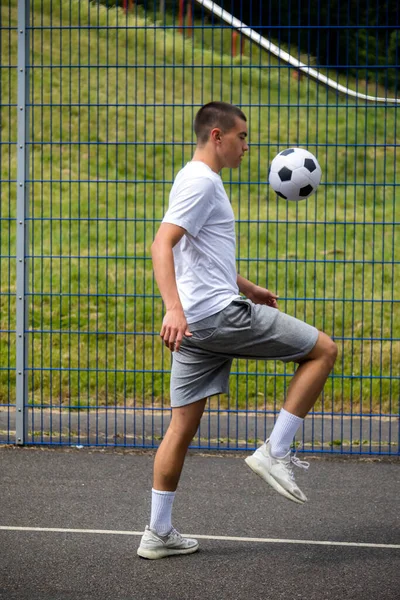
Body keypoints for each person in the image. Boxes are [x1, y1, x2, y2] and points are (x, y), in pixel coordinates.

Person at [137, 101, 337, 560]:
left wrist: (248, 286)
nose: (248, 146)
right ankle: (276, 451)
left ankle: (158, 532)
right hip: (215, 317)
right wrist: (173, 308)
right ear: (217, 136)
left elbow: (199, 252)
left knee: (181, 427)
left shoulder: (194, 178)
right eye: (242, 137)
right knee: (324, 351)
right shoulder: (203, 182)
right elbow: (161, 244)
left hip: (199, 323)